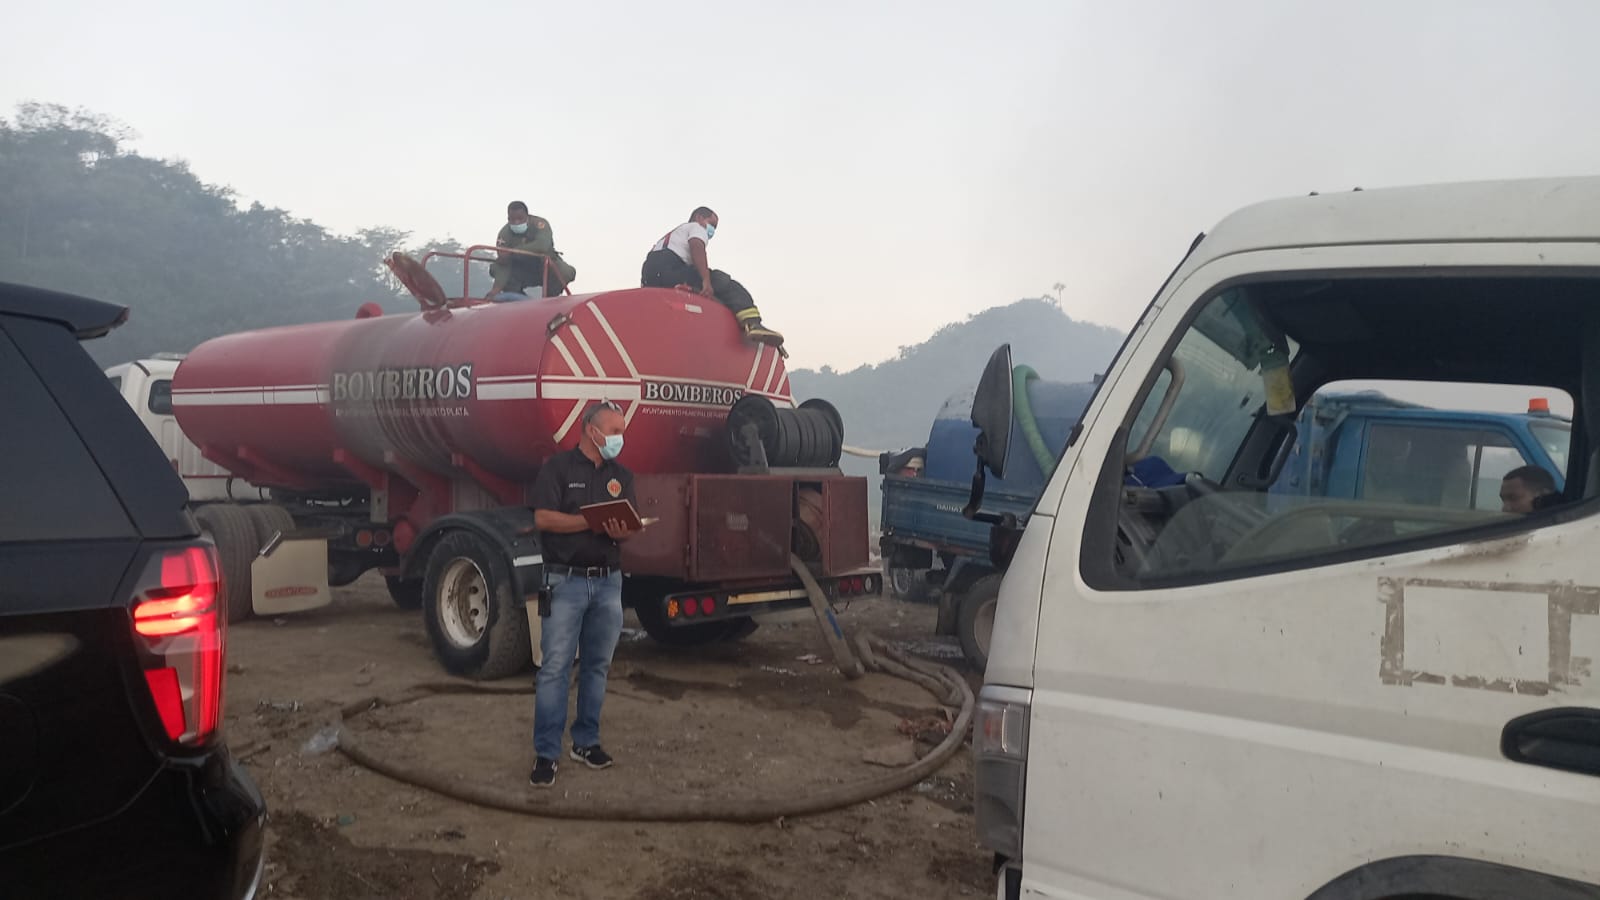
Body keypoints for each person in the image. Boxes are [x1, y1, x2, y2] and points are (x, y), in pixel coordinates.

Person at [528, 401, 639, 787]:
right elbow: (543, 518)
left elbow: (630, 526)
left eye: (622, 431)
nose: (619, 438)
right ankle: (546, 754)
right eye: (614, 430)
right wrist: (588, 522)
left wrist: (621, 529)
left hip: (608, 583)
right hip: (565, 582)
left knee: (597, 666)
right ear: (591, 430)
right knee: (555, 668)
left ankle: (586, 742)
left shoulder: (621, 475)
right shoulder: (557, 469)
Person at [641, 207, 784, 348]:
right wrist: (706, 280)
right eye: (712, 224)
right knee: (725, 284)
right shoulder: (696, 227)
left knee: (703, 286)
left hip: (651, 275)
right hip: (671, 268)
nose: (712, 231)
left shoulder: (671, 237)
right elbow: (697, 246)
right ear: (699, 218)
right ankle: (752, 322)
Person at [487, 201, 577, 300]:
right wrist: (495, 290)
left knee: (565, 272)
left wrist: (513, 251)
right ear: (508, 219)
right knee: (496, 267)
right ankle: (519, 300)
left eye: (520, 218)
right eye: (512, 219)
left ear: (527, 216)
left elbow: (542, 245)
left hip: (545, 265)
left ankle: (550, 299)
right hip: (522, 268)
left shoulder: (540, 224)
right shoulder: (504, 234)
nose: (516, 222)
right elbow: (503, 261)